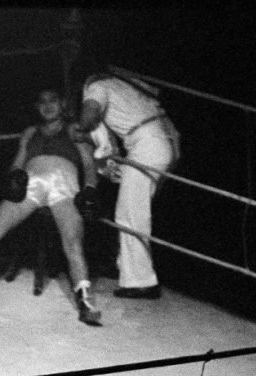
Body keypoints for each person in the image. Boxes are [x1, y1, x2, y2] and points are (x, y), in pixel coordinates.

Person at [0, 88, 103, 326]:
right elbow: (17, 164)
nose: (47, 105)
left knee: (72, 242)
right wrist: (15, 176)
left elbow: (88, 164)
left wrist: (90, 189)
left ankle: (85, 301)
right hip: (31, 183)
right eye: (41, 102)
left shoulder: (73, 128)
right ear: (36, 107)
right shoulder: (30, 132)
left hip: (65, 184)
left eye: (52, 100)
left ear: (62, 104)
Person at [76, 68, 181, 298]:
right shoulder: (127, 83)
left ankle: (141, 282)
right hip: (165, 142)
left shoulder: (96, 87)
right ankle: (125, 267)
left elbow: (90, 115)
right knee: (130, 209)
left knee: (130, 215)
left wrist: (79, 129)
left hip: (147, 145)